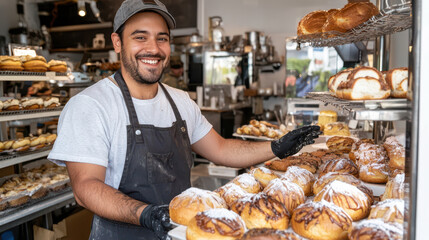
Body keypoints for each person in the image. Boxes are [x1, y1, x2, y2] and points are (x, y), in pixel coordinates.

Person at [47, 1, 321, 239]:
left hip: (180, 231)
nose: (153, 48)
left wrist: (275, 148)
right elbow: (85, 188)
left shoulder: (179, 101)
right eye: (140, 37)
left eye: (162, 38)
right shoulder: (91, 105)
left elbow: (221, 149)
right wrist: (146, 214)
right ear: (117, 42)